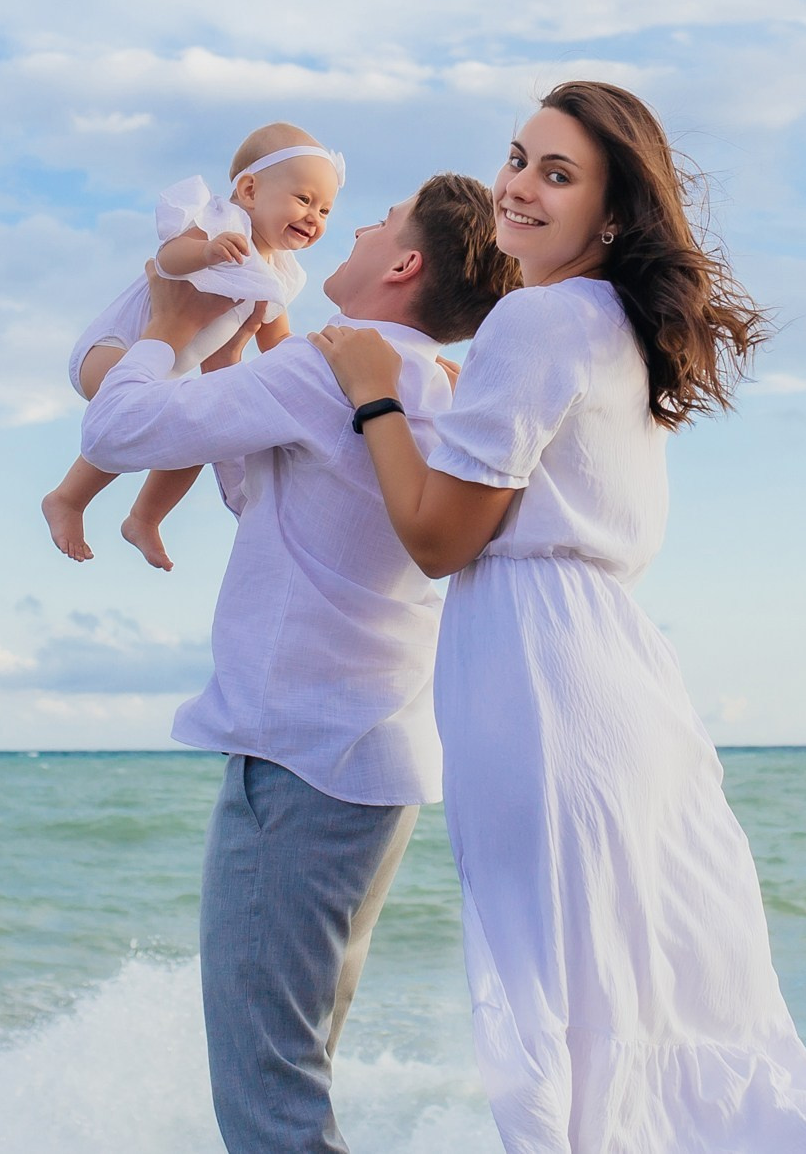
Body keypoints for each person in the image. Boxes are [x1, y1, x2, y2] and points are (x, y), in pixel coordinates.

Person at [309, 84, 806, 1154]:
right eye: (517, 157)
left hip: (542, 681)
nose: (518, 185)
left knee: (567, 1002)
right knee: (649, 999)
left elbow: (438, 537)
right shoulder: (613, 323)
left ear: (610, 215)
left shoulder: (535, 319)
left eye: (556, 174)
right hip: (612, 666)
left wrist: (374, 389)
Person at [80, 174, 517, 1154]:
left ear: (402, 263)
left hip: (299, 764)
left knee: (268, 1098)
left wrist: (163, 319)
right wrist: (247, 344)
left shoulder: (335, 371)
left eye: (382, 218)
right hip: (370, 770)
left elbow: (112, 429)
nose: (355, 224)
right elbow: (268, 496)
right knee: (296, 1071)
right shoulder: (417, 383)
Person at [44, 122, 344, 571]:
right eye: (304, 199)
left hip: (164, 372)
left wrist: (323, 358)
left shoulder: (280, 273)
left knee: (197, 433)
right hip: (115, 348)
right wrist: (205, 253)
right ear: (249, 189)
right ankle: (67, 498)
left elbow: (277, 342)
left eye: (324, 210)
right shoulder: (222, 223)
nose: (314, 218)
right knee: (128, 417)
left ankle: (145, 517)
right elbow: (166, 259)